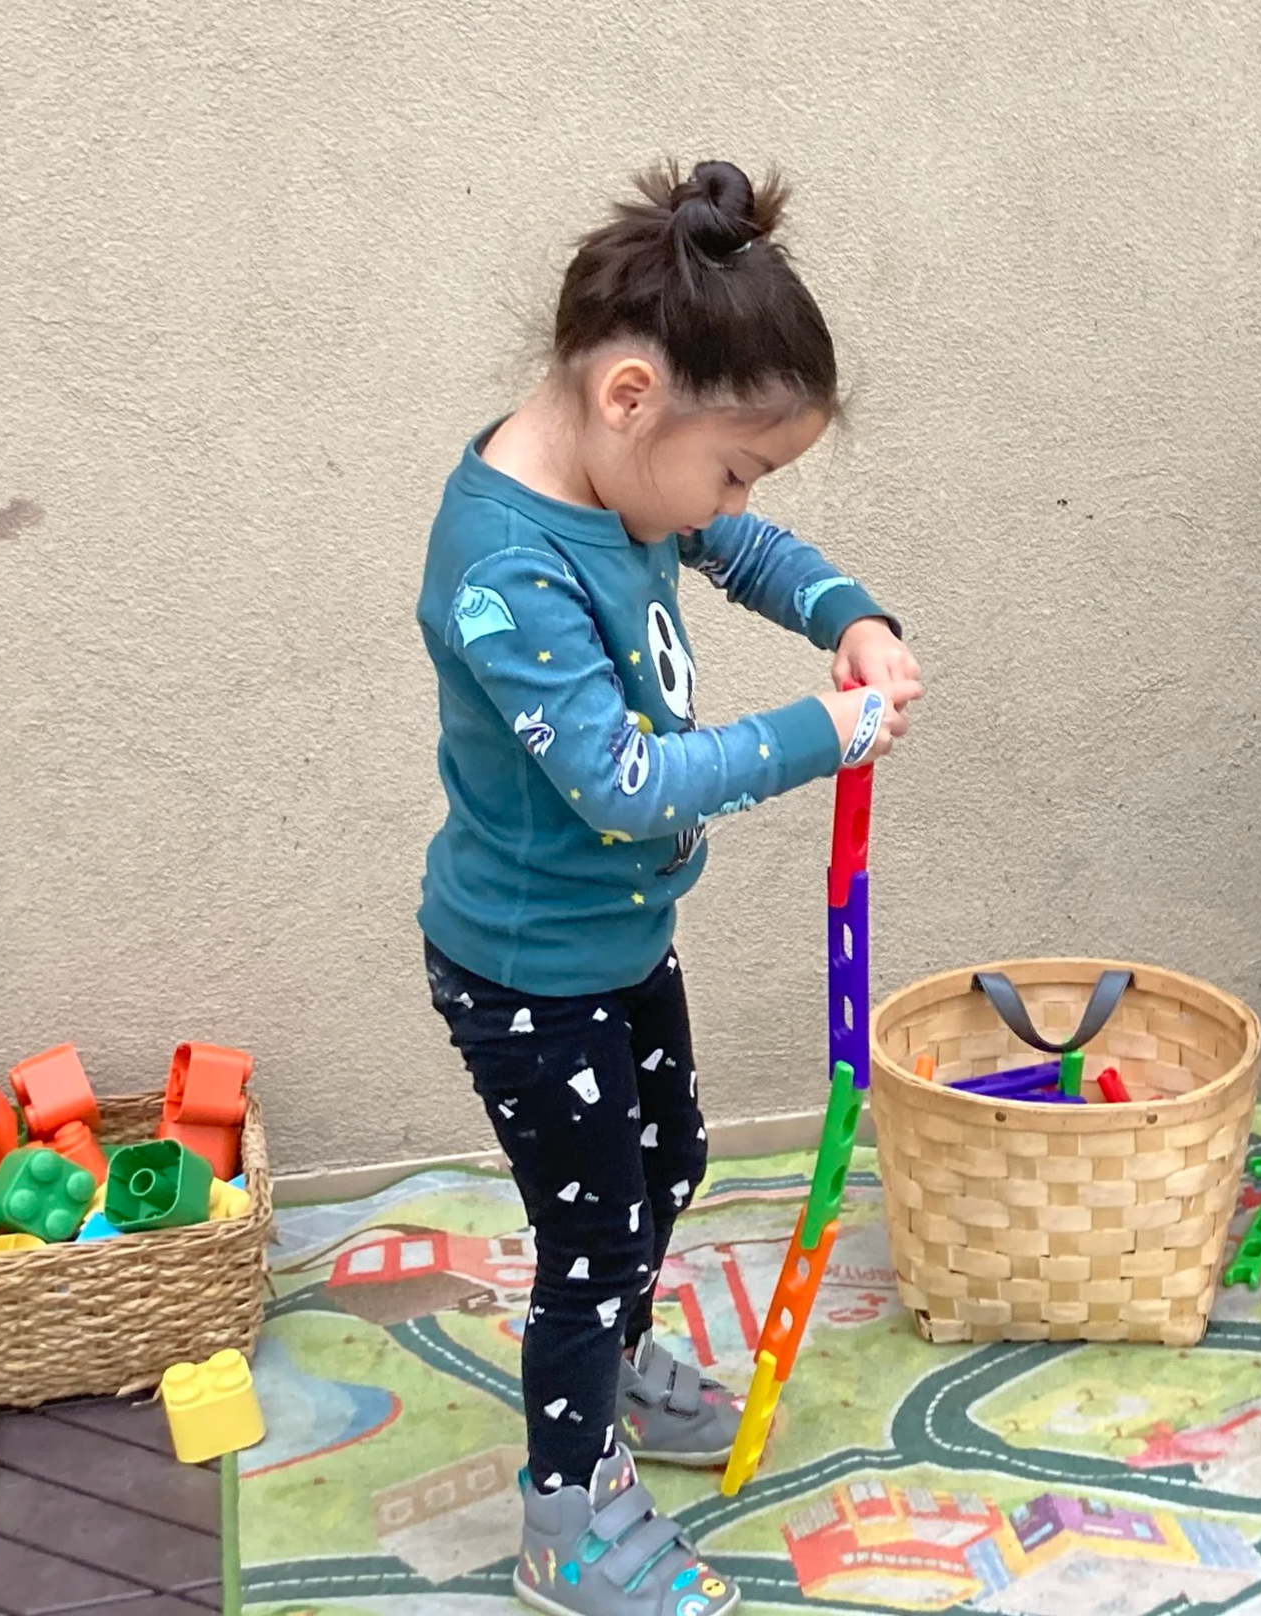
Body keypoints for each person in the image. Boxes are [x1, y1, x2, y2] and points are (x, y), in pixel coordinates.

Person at [417, 158, 921, 1616]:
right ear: (634, 395)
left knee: (671, 1156)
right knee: (589, 1236)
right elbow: (624, 781)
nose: (737, 495)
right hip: (522, 974)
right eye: (740, 462)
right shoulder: (500, 567)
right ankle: (563, 1517)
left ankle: (617, 1358)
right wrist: (816, 736)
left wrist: (852, 615)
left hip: (616, 935)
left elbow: (741, 547)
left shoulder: (628, 475)